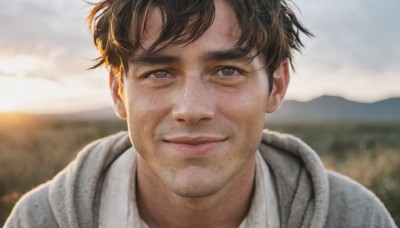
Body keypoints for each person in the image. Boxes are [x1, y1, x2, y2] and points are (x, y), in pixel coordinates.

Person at [5, 0, 397, 227]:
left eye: (228, 71)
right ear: (118, 92)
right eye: (159, 72)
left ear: (275, 87)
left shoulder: (354, 218)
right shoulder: (39, 221)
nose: (192, 109)